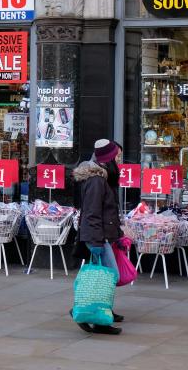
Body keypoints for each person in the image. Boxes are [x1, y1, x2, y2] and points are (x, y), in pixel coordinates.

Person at [72, 139, 125, 335]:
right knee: (107, 277)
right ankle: (94, 318)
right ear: (108, 158)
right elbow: (93, 213)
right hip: (97, 237)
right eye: (116, 156)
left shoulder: (100, 178)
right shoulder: (96, 181)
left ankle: (100, 313)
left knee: (105, 277)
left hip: (101, 235)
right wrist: (96, 242)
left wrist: (116, 235)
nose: (119, 159)